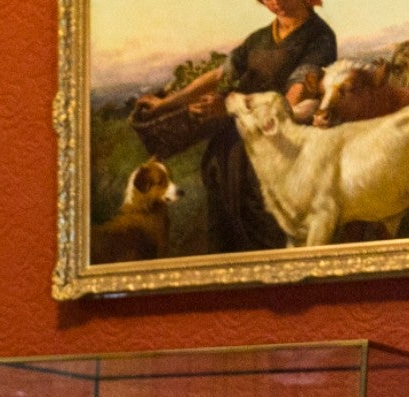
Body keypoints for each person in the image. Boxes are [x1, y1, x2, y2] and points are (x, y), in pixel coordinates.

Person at [137, 0, 336, 253]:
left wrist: (230, 109)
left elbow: (291, 102)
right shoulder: (259, 39)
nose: (277, 3)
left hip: (280, 142)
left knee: (258, 214)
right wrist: (165, 104)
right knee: (218, 190)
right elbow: (222, 75)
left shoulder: (319, 38)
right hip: (235, 138)